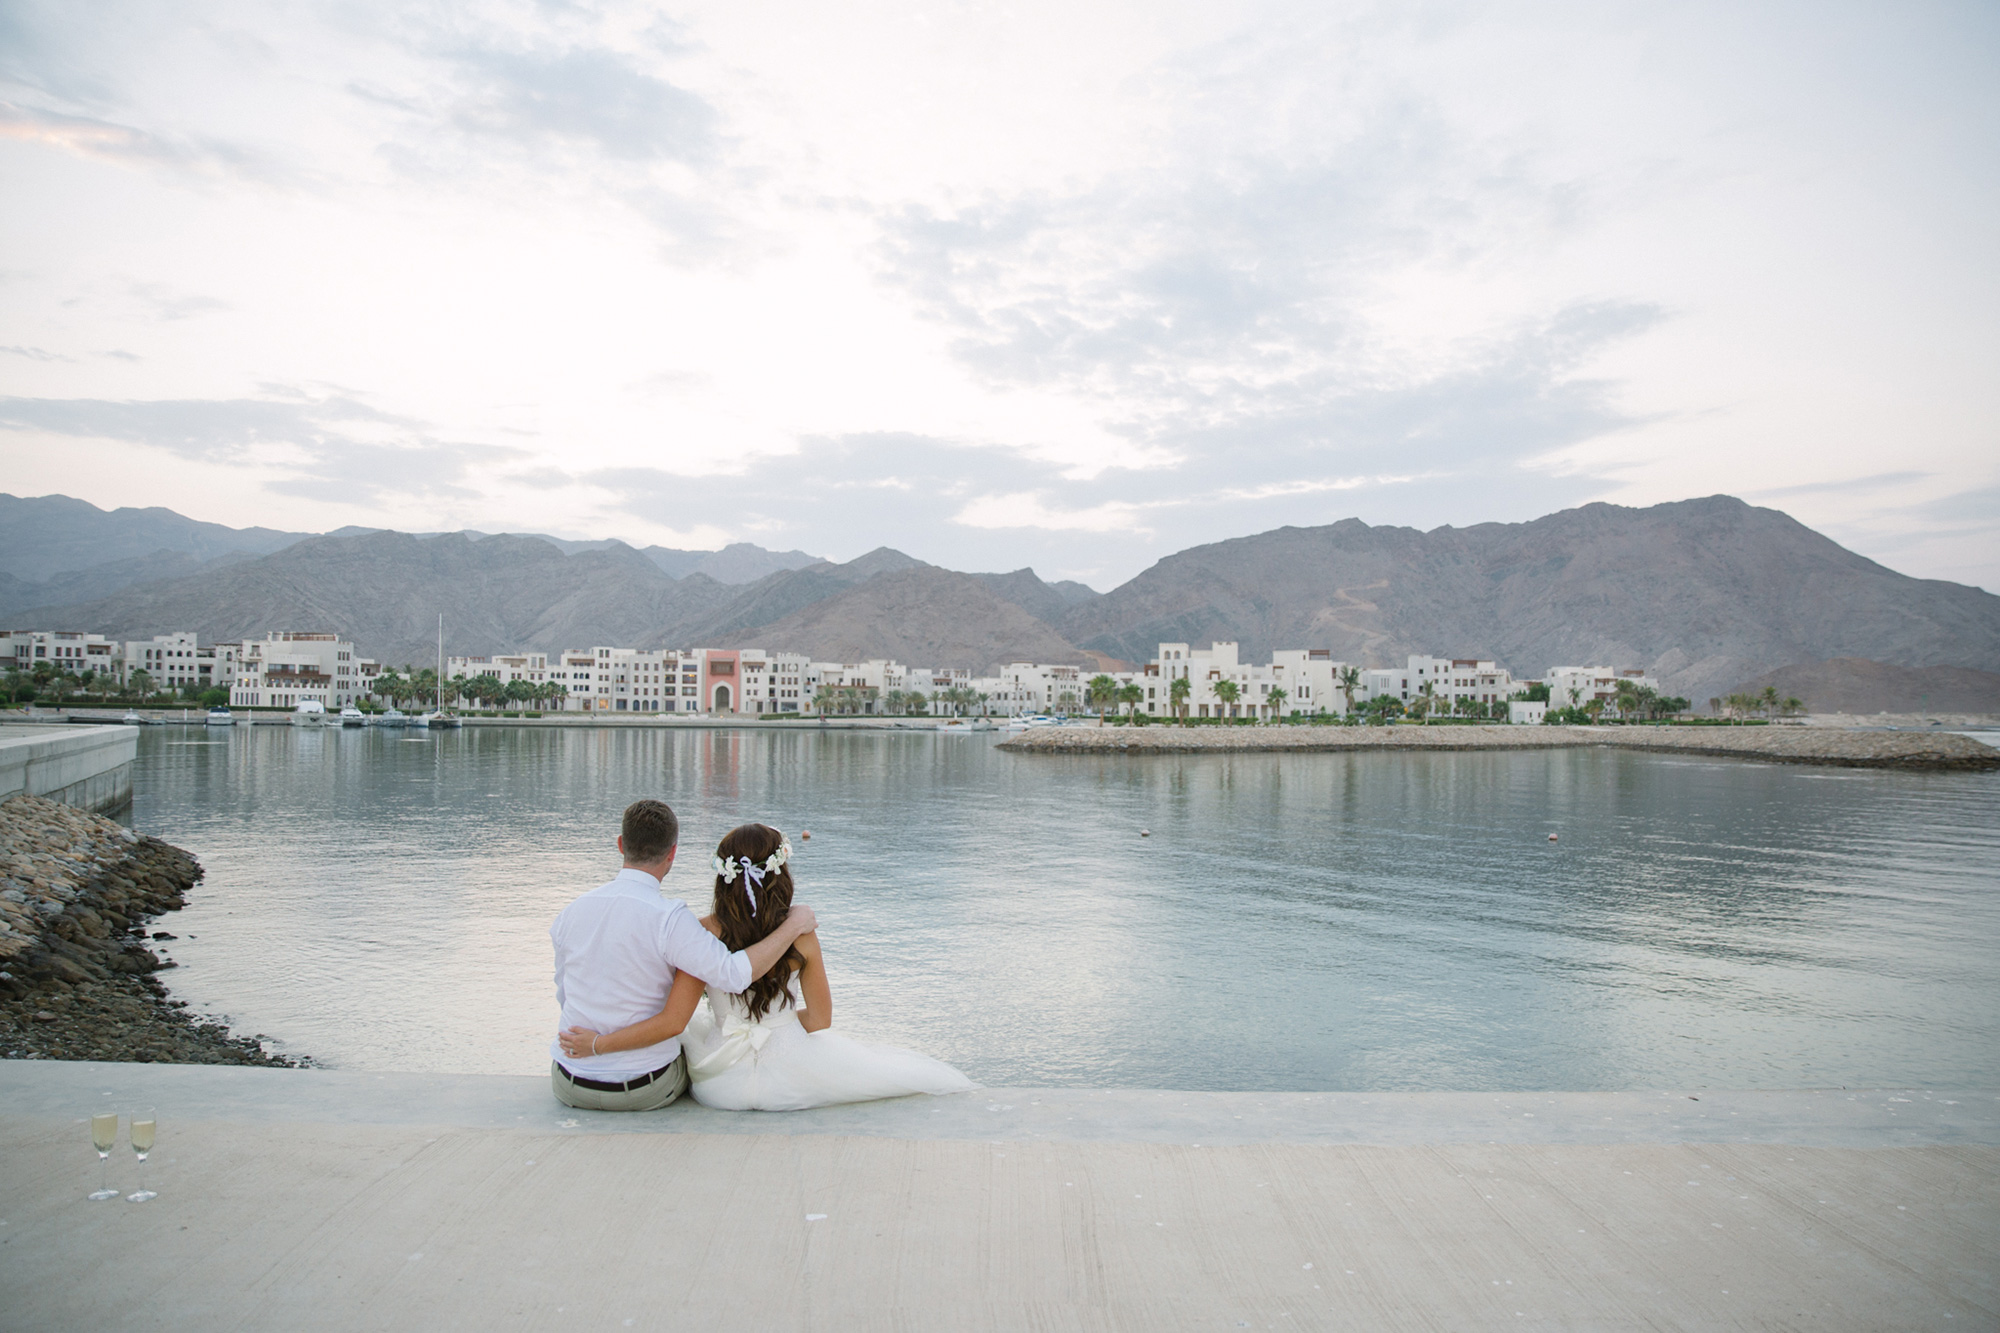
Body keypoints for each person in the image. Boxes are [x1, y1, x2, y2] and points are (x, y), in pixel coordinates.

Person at [558, 821, 974, 1111]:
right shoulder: (803, 934)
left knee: (686, 1035)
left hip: (720, 1084)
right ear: (780, 873)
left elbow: (675, 1016)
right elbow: (822, 1018)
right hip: (793, 1076)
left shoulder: (702, 932)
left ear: (723, 876)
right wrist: (779, 1029)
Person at [548, 800, 818, 1112]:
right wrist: (793, 926)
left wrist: (594, 1045)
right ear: (672, 853)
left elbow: (564, 993)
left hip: (570, 1081)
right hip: (644, 1088)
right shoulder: (671, 919)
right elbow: (732, 976)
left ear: (621, 845)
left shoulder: (571, 912)